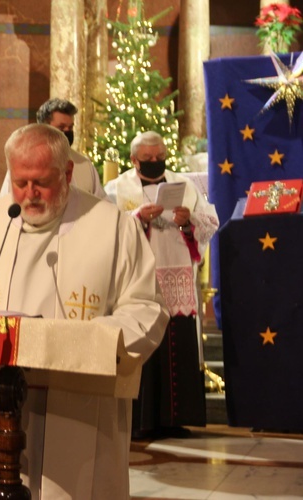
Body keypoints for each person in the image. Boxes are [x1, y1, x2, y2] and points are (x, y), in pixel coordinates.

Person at [0, 123, 168, 499]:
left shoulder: (113, 228)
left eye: (41, 182)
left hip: (83, 404)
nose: (29, 194)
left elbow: (146, 306)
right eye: (19, 182)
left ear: (69, 173)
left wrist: (100, 341)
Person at [105, 131, 219, 439]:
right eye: (148, 159)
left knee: (177, 344)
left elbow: (209, 222)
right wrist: (138, 217)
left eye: (159, 158)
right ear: (134, 160)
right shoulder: (117, 189)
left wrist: (188, 219)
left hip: (176, 274)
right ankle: (142, 421)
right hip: (139, 278)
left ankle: (174, 419)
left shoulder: (184, 185)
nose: (156, 163)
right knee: (143, 345)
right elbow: (107, 229)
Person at [0, 98, 106, 198]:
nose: (67, 131)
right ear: (44, 128)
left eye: (70, 127)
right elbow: (7, 203)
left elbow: (102, 204)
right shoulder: (23, 163)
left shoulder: (84, 165)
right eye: (61, 127)